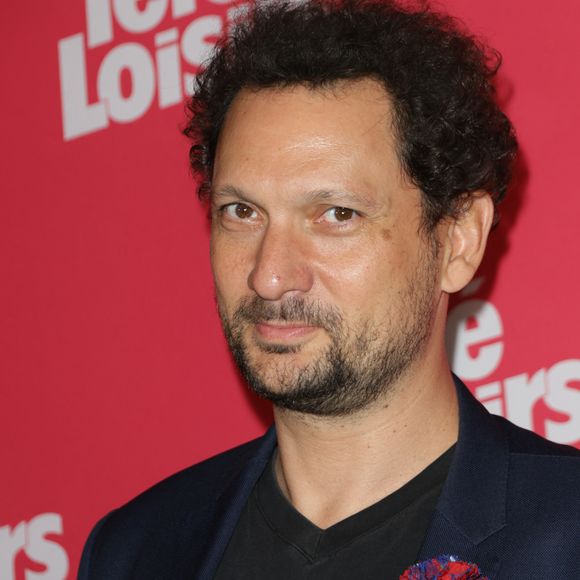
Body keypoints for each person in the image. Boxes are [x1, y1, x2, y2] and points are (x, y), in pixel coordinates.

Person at [79, 1, 580, 578]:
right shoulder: (134, 551)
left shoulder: (566, 535)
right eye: (241, 211)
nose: (269, 275)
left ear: (457, 242)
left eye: (336, 214)